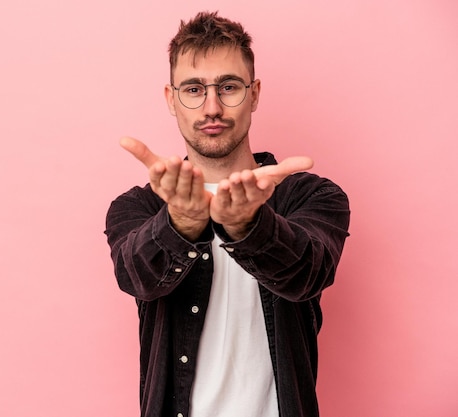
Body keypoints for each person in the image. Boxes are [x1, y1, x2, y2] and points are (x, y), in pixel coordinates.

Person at [104, 11, 350, 417]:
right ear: (171, 99)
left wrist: (247, 226)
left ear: (254, 94)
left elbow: (310, 273)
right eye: (194, 89)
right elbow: (136, 278)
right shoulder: (139, 207)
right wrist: (180, 223)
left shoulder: (312, 195)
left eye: (229, 86)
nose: (212, 107)